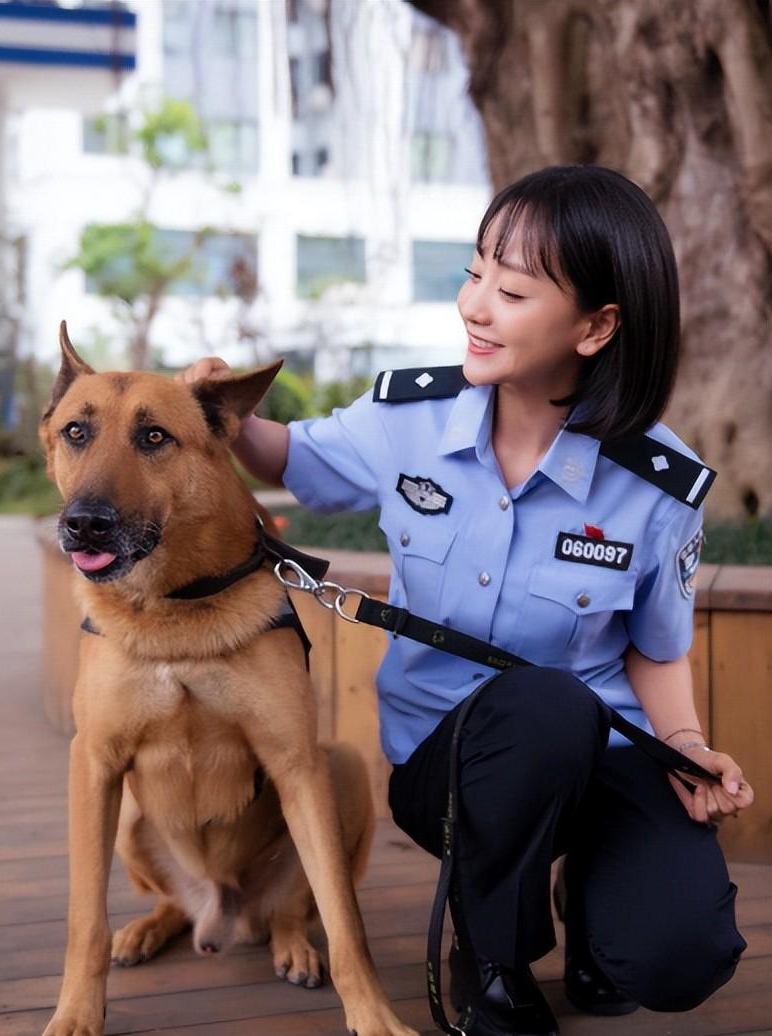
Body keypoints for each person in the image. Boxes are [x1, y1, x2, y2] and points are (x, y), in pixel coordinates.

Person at [179, 165, 754, 1036]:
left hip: (601, 753)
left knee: (679, 953)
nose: (475, 307)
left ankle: (590, 903)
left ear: (596, 327)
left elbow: (655, 646)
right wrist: (220, 411)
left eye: (512, 291)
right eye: (474, 272)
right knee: (546, 707)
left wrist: (684, 747)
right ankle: (492, 956)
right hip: (446, 770)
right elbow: (289, 456)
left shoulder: (657, 482)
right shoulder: (408, 419)